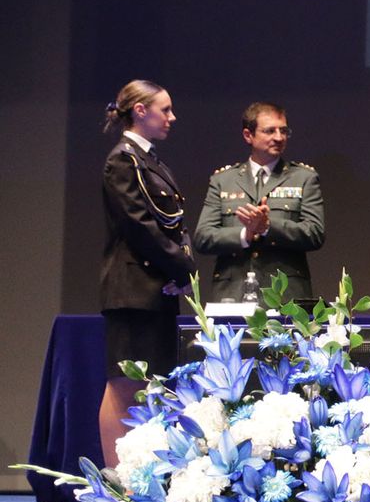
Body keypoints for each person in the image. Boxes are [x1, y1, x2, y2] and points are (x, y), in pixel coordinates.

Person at [98, 81, 197, 467]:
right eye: (165, 109)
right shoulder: (123, 159)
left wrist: (179, 267)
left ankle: (142, 475)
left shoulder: (149, 160)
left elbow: (172, 222)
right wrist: (181, 264)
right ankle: (117, 478)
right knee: (124, 384)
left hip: (155, 286)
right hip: (131, 289)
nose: (171, 117)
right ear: (140, 110)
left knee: (151, 381)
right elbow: (140, 225)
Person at [194, 102, 324, 301]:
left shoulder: (304, 177)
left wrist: (267, 227)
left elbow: (314, 233)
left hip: (285, 296)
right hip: (232, 294)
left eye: (284, 131)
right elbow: (203, 238)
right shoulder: (223, 180)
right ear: (248, 135)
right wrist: (245, 234)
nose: (279, 138)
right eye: (270, 131)